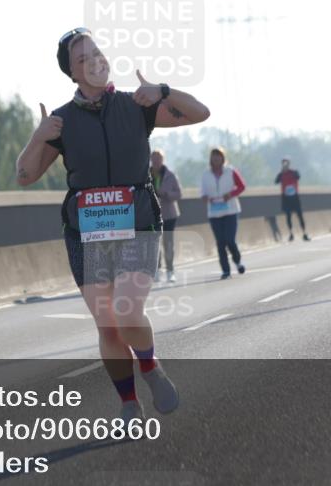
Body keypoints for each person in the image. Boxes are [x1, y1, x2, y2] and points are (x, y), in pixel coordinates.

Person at [15, 27, 210, 422]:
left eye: (97, 53)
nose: (94, 61)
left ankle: (150, 367)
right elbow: (24, 175)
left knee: (127, 311)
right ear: (72, 72)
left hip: (137, 221)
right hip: (86, 233)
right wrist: (38, 137)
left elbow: (201, 113)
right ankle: (127, 401)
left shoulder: (136, 104)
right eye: (83, 59)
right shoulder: (62, 122)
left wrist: (164, 91)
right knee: (107, 326)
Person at [201, 147, 247, 279]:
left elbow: (242, 186)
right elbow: (203, 192)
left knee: (230, 240)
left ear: (223, 158)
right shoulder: (206, 174)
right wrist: (205, 197)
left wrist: (231, 194)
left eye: (218, 156)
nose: (216, 159)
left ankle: (237, 261)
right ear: (211, 159)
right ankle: (225, 270)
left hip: (230, 210)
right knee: (220, 242)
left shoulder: (230, 171)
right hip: (214, 212)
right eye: (213, 156)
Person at [150, 149, 182, 283]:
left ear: (163, 160)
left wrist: (168, 194)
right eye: (154, 158)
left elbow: (179, 194)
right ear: (151, 160)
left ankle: (170, 271)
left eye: (159, 158)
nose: (156, 161)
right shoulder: (146, 175)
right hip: (152, 215)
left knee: (168, 243)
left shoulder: (170, 175)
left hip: (169, 214)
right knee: (154, 244)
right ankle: (156, 271)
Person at [274, 158, 310, 241]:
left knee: (300, 215)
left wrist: (289, 171)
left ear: (289, 164)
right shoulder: (281, 174)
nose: (285, 165)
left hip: (294, 197)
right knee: (288, 216)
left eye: (286, 163)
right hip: (286, 197)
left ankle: (304, 233)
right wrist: (282, 172)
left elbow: (298, 177)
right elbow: (276, 181)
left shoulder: (294, 172)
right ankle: (291, 234)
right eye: (283, 163)